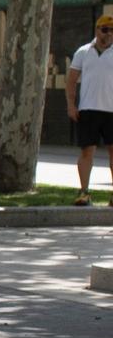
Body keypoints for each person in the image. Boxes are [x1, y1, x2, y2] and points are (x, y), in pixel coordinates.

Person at [65, 14, 113, 205]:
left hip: (112, 111)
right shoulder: (83, 52)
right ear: (97, 30)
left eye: (112, 30)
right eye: (105, 29)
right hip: (88, 109)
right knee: (87, 152)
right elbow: (70, 81)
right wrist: (70, 105)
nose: (109, 34)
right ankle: (84, 192)